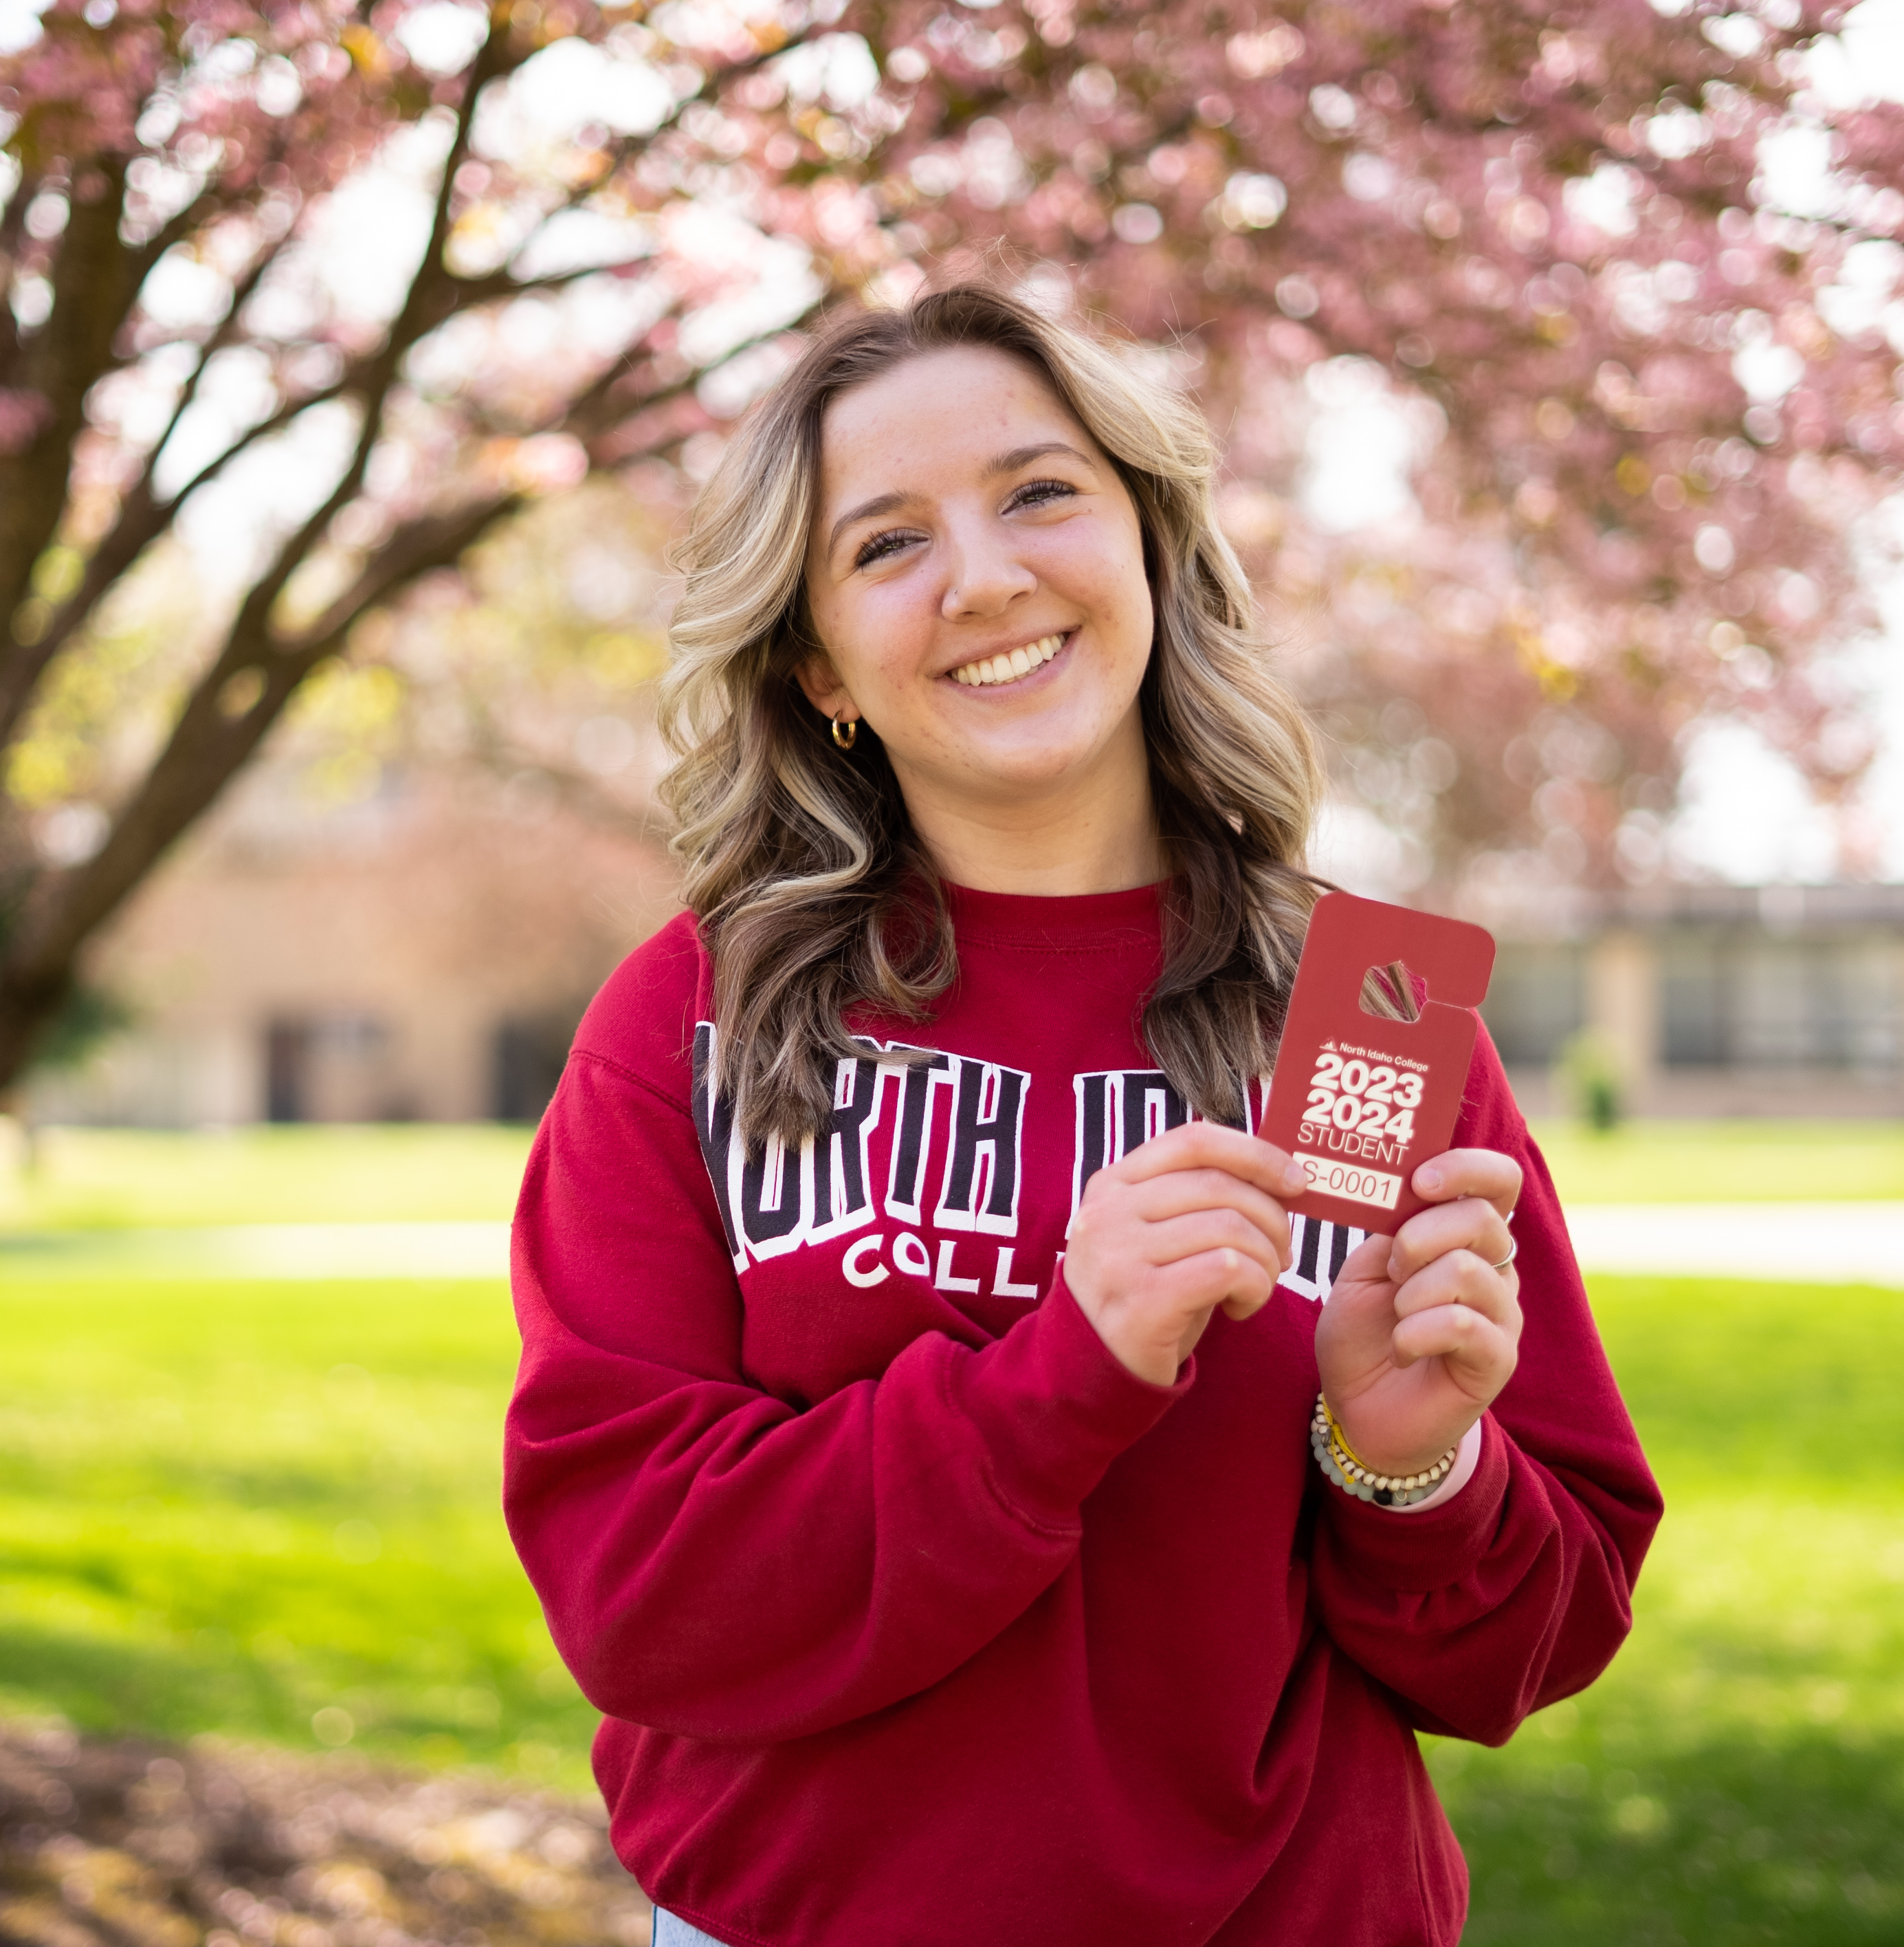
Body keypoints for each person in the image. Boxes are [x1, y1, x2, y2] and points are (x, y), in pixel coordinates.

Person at [502, 283, 1659, 1946]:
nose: (984, 576)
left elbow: (1529, 1644)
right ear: (818, 660)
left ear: (1147, 545)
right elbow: (640, 1597)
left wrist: (1410, 1468)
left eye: (1039, 491)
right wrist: (1063, 1372)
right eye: (884, 544)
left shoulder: (1360, 1006)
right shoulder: (705, 1015)